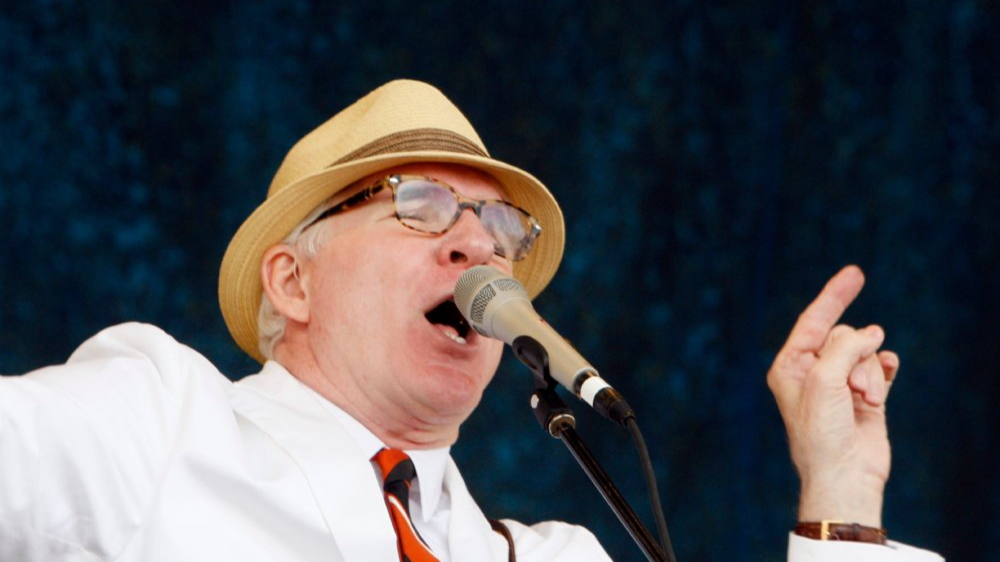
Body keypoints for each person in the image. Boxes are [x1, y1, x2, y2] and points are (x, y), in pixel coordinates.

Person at [0, 80, 942, 561]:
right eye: (418, 203)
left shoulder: (554, 555)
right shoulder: (159, 425)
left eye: (499, 227)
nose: (478, 249)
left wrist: (845, 498)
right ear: (291, 281)